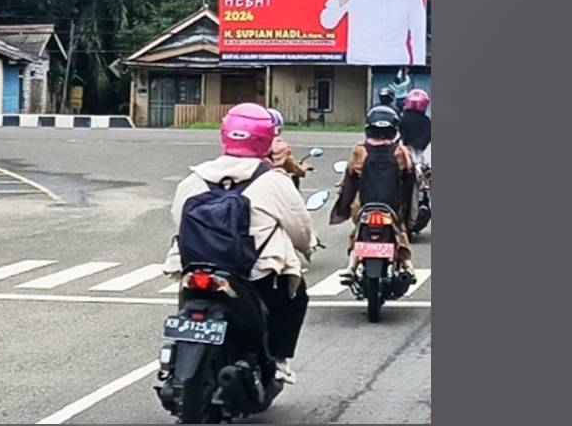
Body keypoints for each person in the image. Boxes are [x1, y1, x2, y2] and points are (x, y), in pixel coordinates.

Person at [163, 103, 318, 384]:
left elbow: (178, 220)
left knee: (187, 304)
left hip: (196, 269)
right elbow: (299, 226)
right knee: (295, 297)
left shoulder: (193, 179)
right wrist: (307, 247)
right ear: (266, 138)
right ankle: (279, 359)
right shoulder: (273, 180)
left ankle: (174, 358)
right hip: (253, 274)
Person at [330, 105, 417, 276]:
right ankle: (408, 265)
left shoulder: (359, 151)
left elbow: (350, 180)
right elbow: (410, 179)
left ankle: (352, 266)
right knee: (400, 229)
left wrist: (343, 206)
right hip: (392, 205)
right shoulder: (400, 152)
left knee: (359, 229)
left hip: (364, 204)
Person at [268, 107, 311, 180]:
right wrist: (304, 167)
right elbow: (295, 169)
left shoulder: (248, 145)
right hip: (274, 184)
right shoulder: (280, 147)